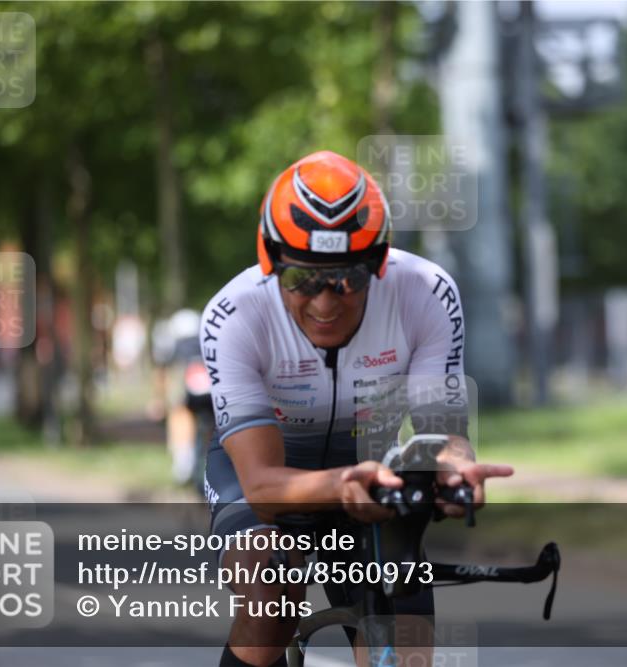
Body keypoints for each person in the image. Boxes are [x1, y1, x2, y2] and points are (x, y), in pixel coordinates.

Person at [200, 151, 513, 667]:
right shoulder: (233, 314)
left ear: (379, 262)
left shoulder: (426, 293)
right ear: (270, 260)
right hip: (270, 471)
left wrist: (455, 467)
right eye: (302, 278)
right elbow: (260, 485)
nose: (325, 302)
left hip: (373, 469)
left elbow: (440, 432)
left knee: (405, 636)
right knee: (270, 593)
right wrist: (341, 483)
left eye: (348, 278)